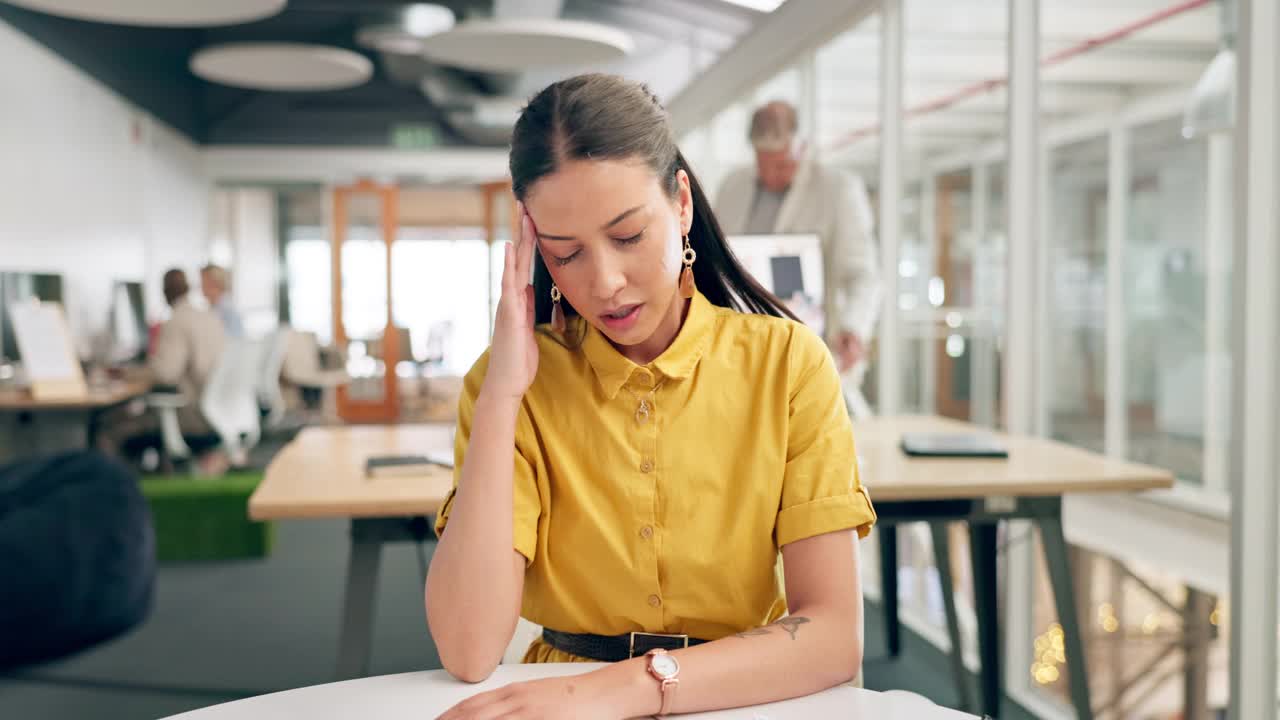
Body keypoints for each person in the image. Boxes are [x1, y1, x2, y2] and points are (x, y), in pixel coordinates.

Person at [425, 74, 876, 719]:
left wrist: (630, 687)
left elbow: (833, 638)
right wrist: (501, 399)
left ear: (682, 204)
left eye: (629, 236)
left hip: (745, 698)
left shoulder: (788, 363)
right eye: (566, 253)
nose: (605, 283)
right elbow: (468, 650)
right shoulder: (511, 384)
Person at [715, 101, 881, 418]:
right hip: (744, 350)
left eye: (783, 164)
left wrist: (854, 327)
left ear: (802, 147)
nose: (773, 175)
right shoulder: (732, 189)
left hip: (812, 346)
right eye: (764, 164)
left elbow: (864, 275)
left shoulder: (838, 190)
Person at [200, 264, 244, 338]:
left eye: (204, 282)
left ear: (214, 283)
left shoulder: (227, 309)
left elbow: (235, 339)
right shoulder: (211, 307)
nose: (201, 286)